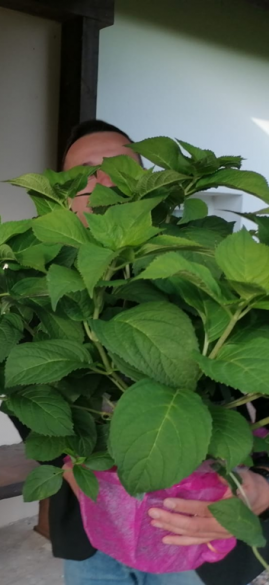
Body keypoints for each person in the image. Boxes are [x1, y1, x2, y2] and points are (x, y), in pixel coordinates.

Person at [34, 120, 269, 585]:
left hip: (198, 532)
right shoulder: (36, 286)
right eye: (83, 170)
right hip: (92, 530)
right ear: (60, 196)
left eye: (119, 168)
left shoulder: (199, 263)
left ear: (148, 187)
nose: (100, 179)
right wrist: (61, 459)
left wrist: (263, 487)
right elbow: (26, 396)